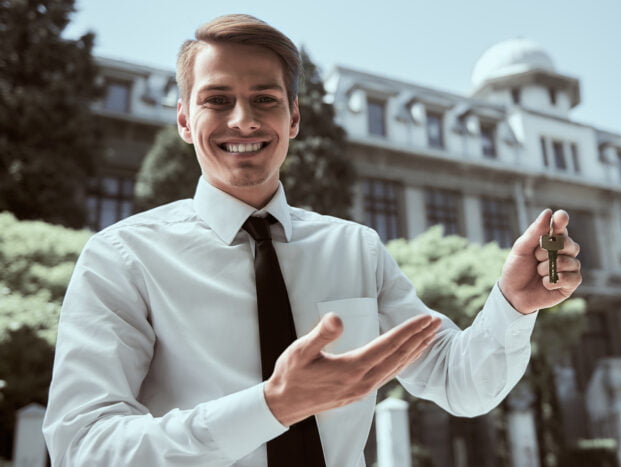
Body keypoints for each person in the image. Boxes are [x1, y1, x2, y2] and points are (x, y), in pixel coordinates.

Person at [42, 14, 582, 467]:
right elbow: (84, 446)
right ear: (184, 120)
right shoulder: (122, 257)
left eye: (265, 99)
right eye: (216, 99)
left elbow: (459, 384)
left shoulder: (356, 250)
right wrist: (271, 406)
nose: (243, 119)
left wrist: (513, 306)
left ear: (294, 117)